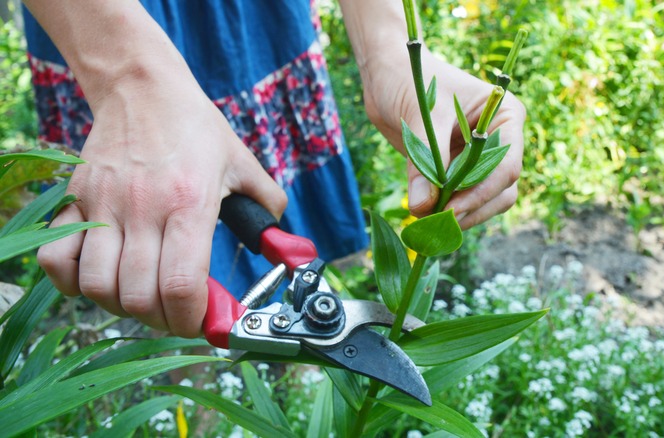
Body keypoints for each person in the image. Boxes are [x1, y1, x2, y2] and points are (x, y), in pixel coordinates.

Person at [24, 0, 526, 339]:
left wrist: (387, 53)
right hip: (98, 24)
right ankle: (193, 405)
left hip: (255, 24)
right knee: (157, 266)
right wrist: (128, 76)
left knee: (255, 268)